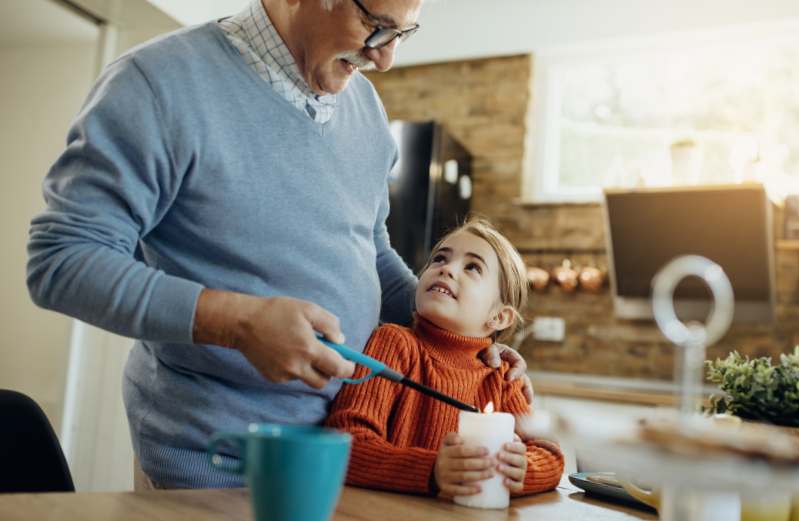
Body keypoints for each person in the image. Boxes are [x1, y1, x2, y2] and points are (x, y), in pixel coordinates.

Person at [26, 0, 533, 489]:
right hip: (215, 463)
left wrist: (468, 345)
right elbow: (63, 259)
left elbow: (370, 248)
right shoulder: (158, 82)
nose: (385, 57)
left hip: (343, 460)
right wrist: (240, 323)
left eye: (403, 32)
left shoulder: (366, 110)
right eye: (375, 24)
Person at [325, 218, 564, 497]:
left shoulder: (501, 378)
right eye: (439, 258)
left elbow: (551, 455)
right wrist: (431, 470)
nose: (447, 269)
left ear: (499, 316)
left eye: (472, 266)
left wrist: (523, 470)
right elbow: (345, 443)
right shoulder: (393, 344)